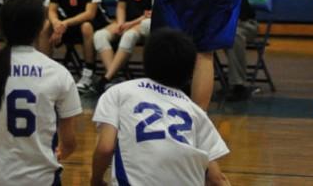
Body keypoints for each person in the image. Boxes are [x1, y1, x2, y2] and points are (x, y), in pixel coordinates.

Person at [0, 0, 81, 185]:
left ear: (0, 25)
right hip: (41, 180)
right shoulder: (59, 74)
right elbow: (68, 144)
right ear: (41, 26)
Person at [91, 27, 230, 186]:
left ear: (146, 60)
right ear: (190, 72)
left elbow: (105, 148)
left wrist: (95, 181)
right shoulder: (195, 111)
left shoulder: (119, 92)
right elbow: (216, 179)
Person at [93, 0, 161, 92]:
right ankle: (115, 79)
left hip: (146, 22)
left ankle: (106, 78)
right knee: (99, 36)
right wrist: (120, 23)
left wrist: (128, 25)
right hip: (127, 21)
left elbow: (152, 12)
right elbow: (121, 6)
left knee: (128, 35)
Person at [48, 0, 109, 91]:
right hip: (67, 24)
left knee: (86, 26)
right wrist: (56, 23)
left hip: (94, 22)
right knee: (45, 26)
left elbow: (90, 13)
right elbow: (51, 10)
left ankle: (88, 72)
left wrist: (64, 24)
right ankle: (46, 70)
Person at [221, 0, 258, 102]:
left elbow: (242, 13)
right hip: (219, 25)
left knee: (234, 35)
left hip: (244, 23)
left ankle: (239, 86)